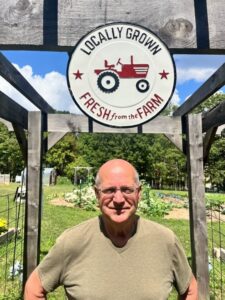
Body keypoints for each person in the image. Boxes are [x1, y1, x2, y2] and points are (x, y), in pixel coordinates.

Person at [24, 159, 198, 300]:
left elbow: (190, 290)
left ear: (139, 193)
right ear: (96, 194)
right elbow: (34, 289)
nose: (119, 199)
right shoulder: (72, 241)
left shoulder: (165, 240)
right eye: (109, 190)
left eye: (127, 189)